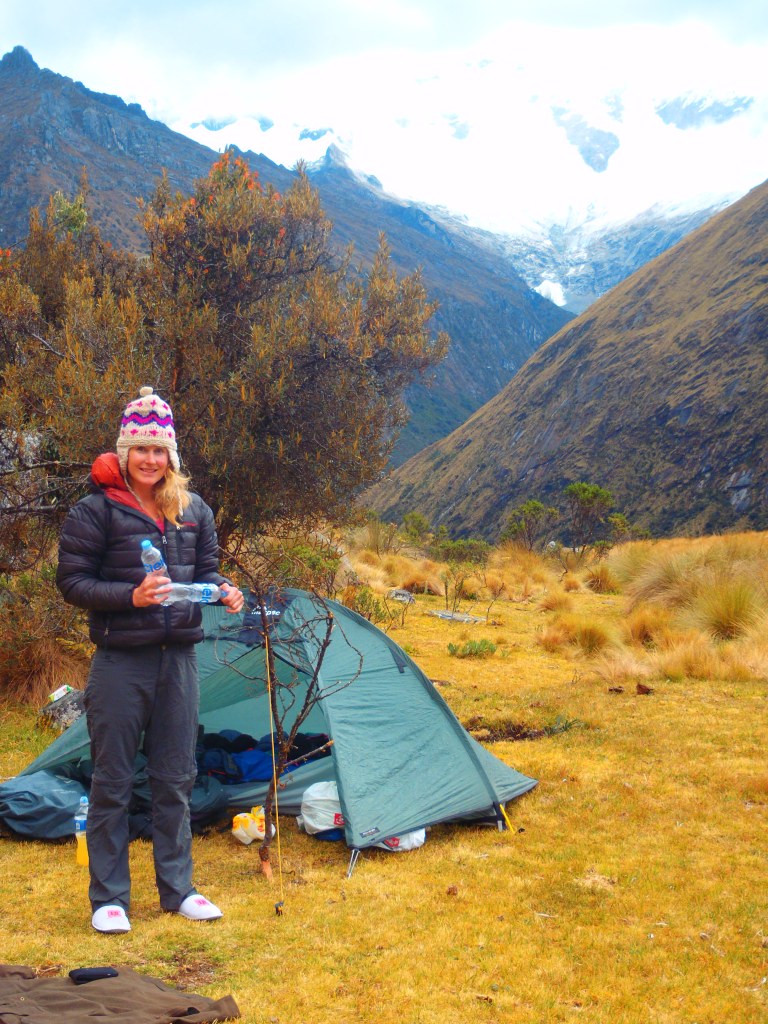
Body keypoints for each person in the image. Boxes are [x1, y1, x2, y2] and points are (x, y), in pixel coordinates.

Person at [56, 385, 244, 933]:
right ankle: (109, 899)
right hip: (120, 661)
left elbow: (205, 575)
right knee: (112, 778)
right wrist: (130, 597)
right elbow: (71, 582)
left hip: (180, 660)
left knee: (175, 777)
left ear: (172, 456)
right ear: (124, 450)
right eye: (140, 448)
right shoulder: (95, 512)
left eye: (159, 450)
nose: (150, 460)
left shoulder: (194, 511)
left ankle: (178, 890)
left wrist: (225, 590)